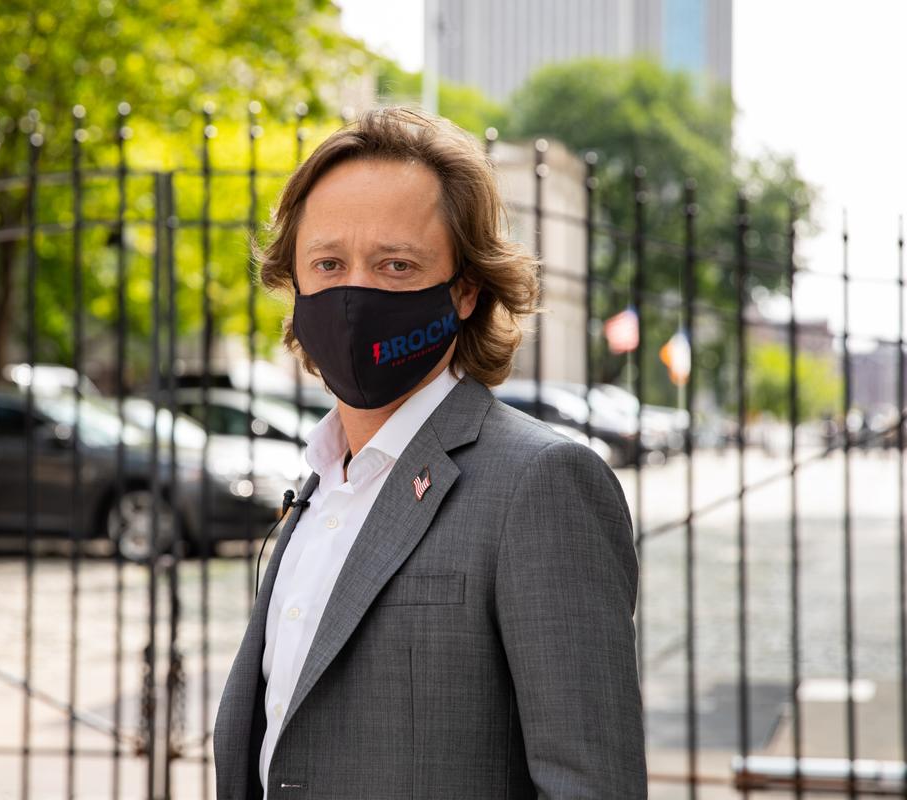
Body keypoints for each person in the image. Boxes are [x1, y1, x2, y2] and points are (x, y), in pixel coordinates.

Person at [213, 106, 647, 799]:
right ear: (293, 284)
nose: (354, 293)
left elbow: (590, 786)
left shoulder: (541, 484)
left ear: (465, 291)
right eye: (328, 263)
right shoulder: (318, 484)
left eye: (396, 265)